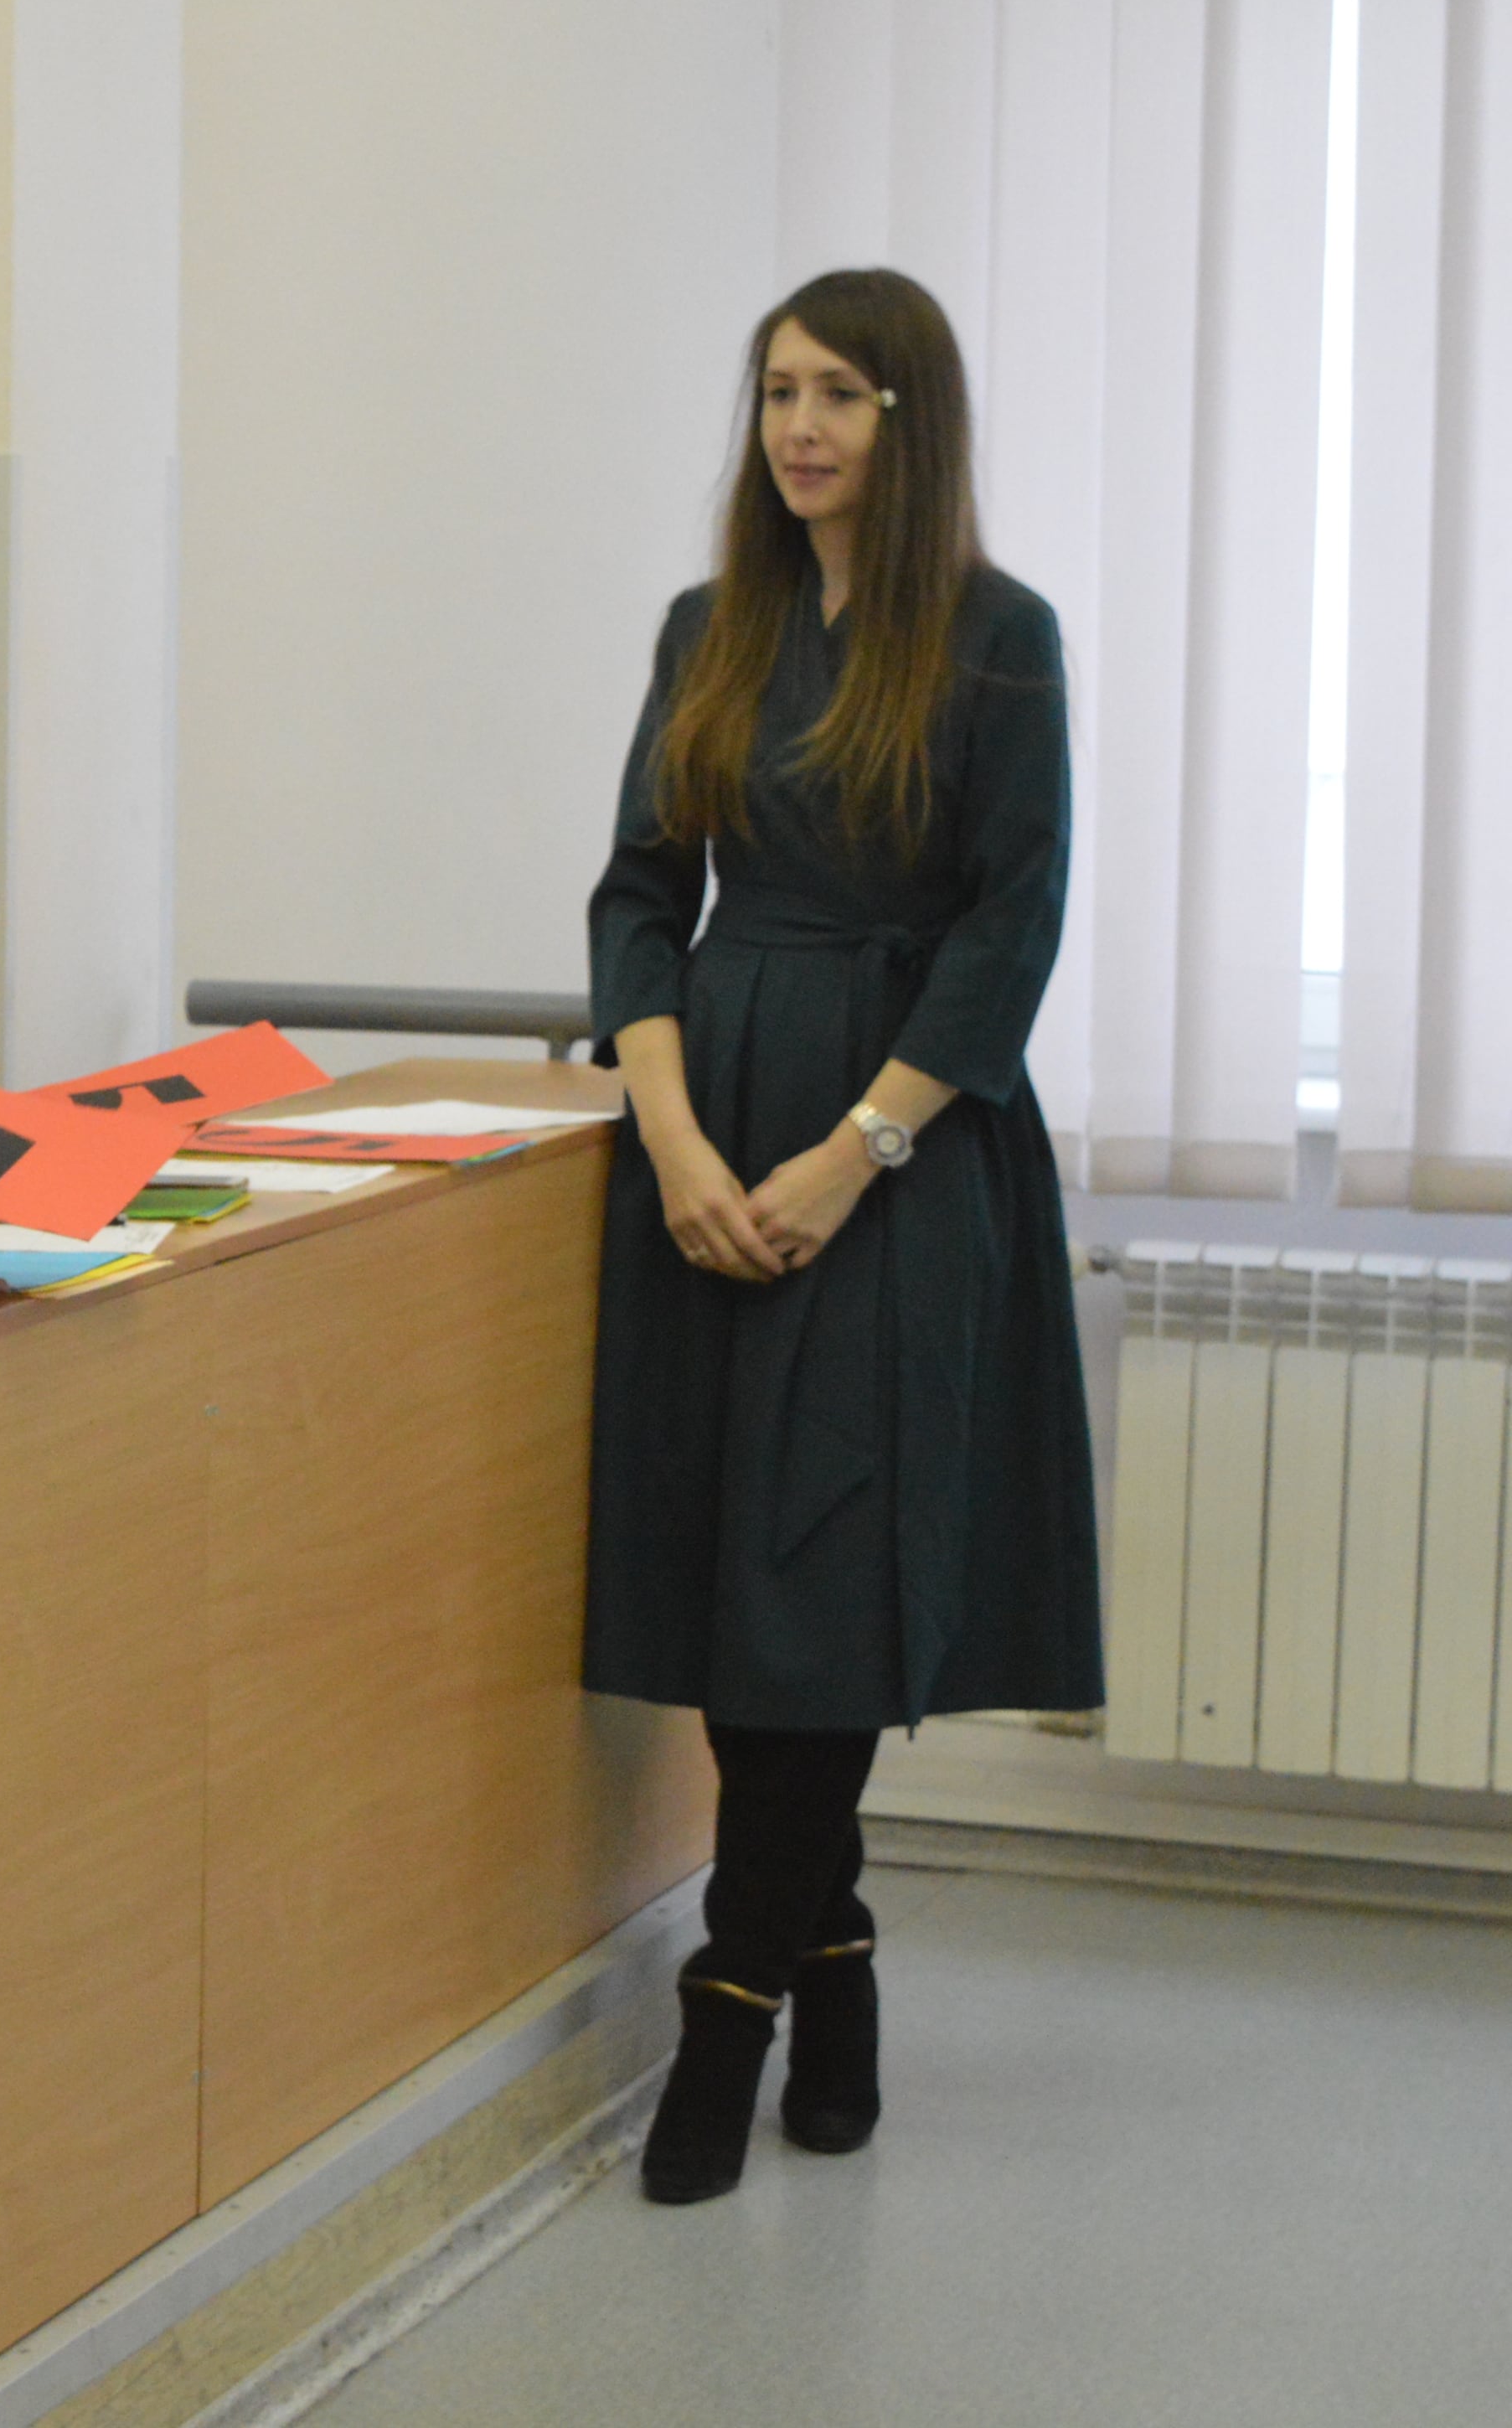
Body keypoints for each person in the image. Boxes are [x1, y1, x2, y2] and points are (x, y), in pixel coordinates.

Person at [585, 266, 1100, 2206]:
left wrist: (846, 1156)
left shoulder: (1000, 639)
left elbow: (1010, 927)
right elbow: (641, 896)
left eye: (840, 395)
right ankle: (842, 1960)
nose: (799, 426)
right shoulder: (705, 627)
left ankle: (728, 2007)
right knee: (736, 1578)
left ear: (910, 419)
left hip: (898, 1153)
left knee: (821, 1588)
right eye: (778, 391)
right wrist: (672, 1134)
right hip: (704, 1125)